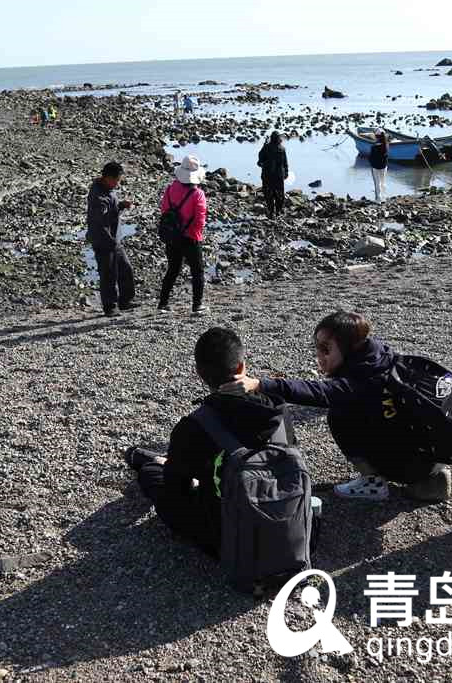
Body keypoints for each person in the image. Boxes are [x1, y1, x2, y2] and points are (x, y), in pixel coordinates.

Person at [221, 310, 451, 502]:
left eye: (326, 349)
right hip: (432, 450)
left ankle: (376, 483)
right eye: (317, 348)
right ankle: (428, 475)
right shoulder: (379, 355)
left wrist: (260, 383)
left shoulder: (359, 382)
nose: (319, 356)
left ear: (350, 348)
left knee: (339, 415)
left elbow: (318, 392)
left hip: (415, 461)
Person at [123, 327, 296, 557]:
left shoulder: (195, 426)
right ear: (241, 367)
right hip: (288, 524)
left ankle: (155, 461)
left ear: (198, 373)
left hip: (229, 538)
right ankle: (162, 460)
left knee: (152, 473)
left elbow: (177, 494)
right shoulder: (278, 409)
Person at [158, 155, 208, 315]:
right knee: (197, 271)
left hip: (173, 236)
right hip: (191, 237)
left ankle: (163, 304)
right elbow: (200, 219)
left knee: (172, 269)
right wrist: (195, 235)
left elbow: (164, 210)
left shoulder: (171, 188)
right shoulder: (198, 194)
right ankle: (197, 305)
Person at [86, 161, 137, 317]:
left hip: (114, 239)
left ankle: (125, 300)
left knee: (125, 268)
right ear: (108, 177)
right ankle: (110, 307)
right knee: (108, 274)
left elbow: (111, 209)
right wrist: (110, 241)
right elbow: (98, 223)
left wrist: (121, 205)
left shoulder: (108, 190)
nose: (118, 183)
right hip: (104, 241)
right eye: (117, 180)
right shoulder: (98, 196)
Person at [258, 131, 289, 219]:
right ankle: (278, 211)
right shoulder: (282, 148)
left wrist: (264, 145)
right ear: (279, 139)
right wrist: (286, 172)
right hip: (279, 175)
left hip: (267, 175)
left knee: (268, 194)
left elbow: (260, 159)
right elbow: (285, 162)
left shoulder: (266, 147)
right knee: (280, 194)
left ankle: (271, 212)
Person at [368, 130, 389, 201]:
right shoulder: (386, 145)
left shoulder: (374, 147)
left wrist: (371, 164)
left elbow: (371, 158)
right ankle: (384, 197)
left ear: (376, 137)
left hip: (375, 167)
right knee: (383, 182)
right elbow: (386, 157)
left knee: (377, 183)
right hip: (383, 166)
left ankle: (378, 199)